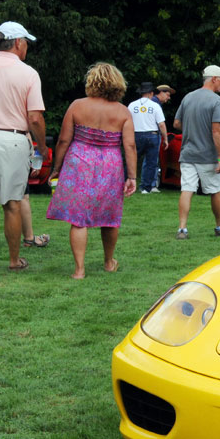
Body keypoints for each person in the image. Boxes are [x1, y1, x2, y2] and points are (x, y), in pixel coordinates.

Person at [46, 63, 137, 279]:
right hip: (110, 164)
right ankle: (108, 262)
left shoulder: (77, 106)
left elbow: (64, 140)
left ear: (92, 81)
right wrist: (132, 176)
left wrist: (56, 168)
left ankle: (79, 270)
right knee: (110, 216)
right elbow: (130, 146)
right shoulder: (123, 112)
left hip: (79, 161)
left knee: (79, 218)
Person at [0, 21, 47, 272]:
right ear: (18, 43)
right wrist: (42, 147)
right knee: (12, 203)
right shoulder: (28, 73)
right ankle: (14, 261)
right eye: (26, 43)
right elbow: (34, 117)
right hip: (12, 140)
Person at [172, 65, 220, 240]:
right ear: (214, 79)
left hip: (187, 153)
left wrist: (192, 128)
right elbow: (216, 131)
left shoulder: (188, 97)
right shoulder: (216, 101)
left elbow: (177, 124)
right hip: (207, 155)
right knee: (215, 191)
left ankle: (182, 229)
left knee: (187, 190)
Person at [128, 81, 170, 193]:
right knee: (151, 162)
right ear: (151, 93)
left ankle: (127, 182)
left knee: (132, 159)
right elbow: (161, 124)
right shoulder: (155, 106)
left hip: (136, 134)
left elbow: (128, 122)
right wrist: (165, 139)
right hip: (152, 135)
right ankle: (146, 188)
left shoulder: (132, 105)